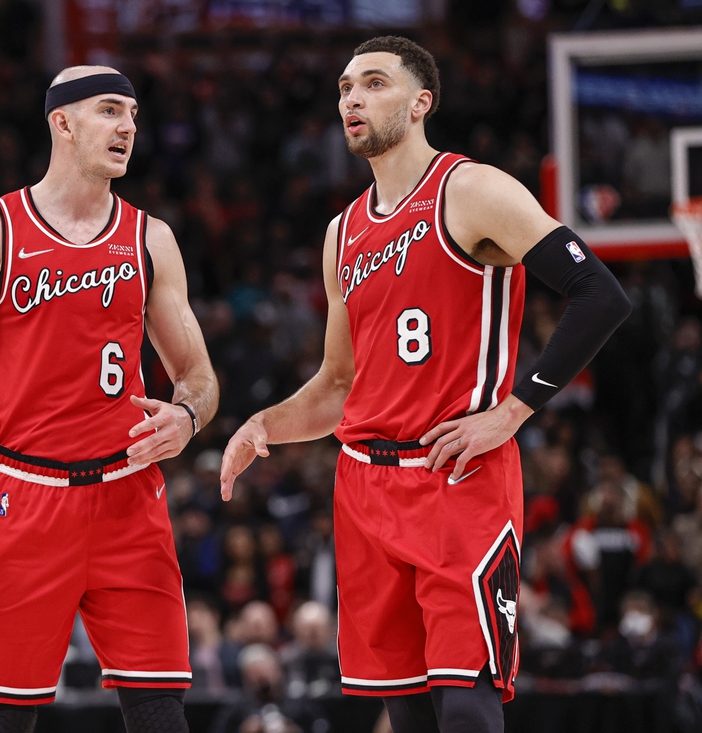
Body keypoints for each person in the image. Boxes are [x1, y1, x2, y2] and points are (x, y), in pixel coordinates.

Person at [220, 36, 630, 733]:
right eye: (346, 87)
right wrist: (264, 423)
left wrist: (514, 410)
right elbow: (338, 384)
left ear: (420, 103)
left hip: (457, 479)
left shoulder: (471, 189)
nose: (352, 98)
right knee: (406, 716)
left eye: (374, 83)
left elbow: (600, 294)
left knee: (466, 706)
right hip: (365, 490)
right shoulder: (341, 231)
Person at [0, 65, 218, 733]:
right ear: (62, 122)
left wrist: (187, 418)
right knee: (3, 718)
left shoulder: (151, 238)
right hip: (23, 496)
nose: (127, 126)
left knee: (162, 711)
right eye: (109, 110)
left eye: (132, 114)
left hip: (129, 497)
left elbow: (199, 376)